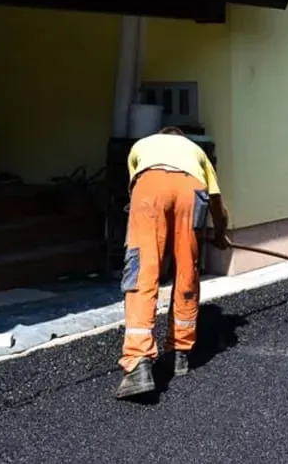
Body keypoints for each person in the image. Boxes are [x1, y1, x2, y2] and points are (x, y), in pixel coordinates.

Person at [115, 126, 230, 400]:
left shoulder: (141, 145)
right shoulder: (196, 151)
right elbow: (216, 200)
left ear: (162, 135)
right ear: (181, 138)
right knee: (187, 269)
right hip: (192, 191)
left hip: (149, 187)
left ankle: (137, 362)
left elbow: (138, 188)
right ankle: (180, 353)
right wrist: (220, 233)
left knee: (143, 270)